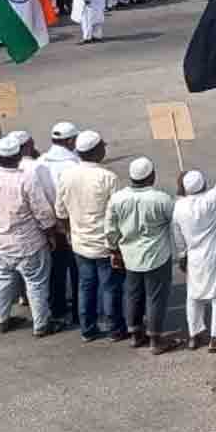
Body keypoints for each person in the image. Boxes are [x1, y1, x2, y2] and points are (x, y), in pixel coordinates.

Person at [0, 135, 62, 336]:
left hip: (1, 241)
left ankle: (2, 320)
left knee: (4, 279)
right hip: (28, 242)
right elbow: (41, 211)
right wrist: (52, 233)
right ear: (19, 156)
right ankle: (41, 324)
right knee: (36, 283)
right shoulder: (26, 178)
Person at [105, 157, 178, 354]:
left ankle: (136, 335)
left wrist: (113, 250)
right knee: (156, 298)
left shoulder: (117, 199)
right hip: (156, 256)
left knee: (133, 295)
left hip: (130, 256)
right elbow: (176, 223)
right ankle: (155, 340)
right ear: (152, 175)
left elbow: (110, 229)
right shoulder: (161, 199)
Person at [55, 130, 124, 341]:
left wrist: (68, 232)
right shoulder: (108, 178)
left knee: (86, 285)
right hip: (105, 244)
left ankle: (88, 328)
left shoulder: (66, 175)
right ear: (96, 151)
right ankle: (114, 328)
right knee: (110, 287)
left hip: (80, 243)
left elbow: (61, 211)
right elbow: (118, 214)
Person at [173, 139, 216, 353]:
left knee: (194, 296)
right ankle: (215, 337)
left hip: (195, 256)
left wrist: (182, 255)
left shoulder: (179, 207)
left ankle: (194, 335)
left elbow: (178, 235)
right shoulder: (212, 198)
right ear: (203, 184)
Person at [39, 123, 80, 324]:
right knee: (77, 268)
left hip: (49, 222)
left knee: (56, 266)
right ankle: (79, 311)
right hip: (71, 221)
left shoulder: (41, 162)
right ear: (70, 141)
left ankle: (57, 305)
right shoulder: (73, 164)